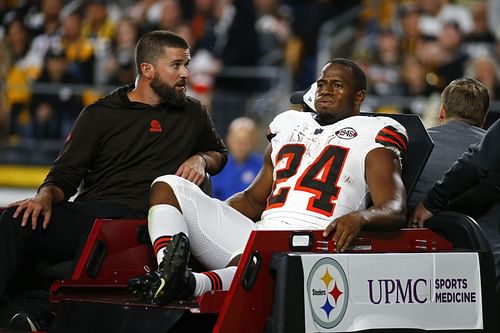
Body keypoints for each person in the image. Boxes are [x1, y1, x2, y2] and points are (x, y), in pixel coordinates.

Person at [128, 58, 409, 305]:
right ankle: (168, 270)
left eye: (337, 85)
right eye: (322, 83)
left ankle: (190, 285)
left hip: (310, 241)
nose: (326, 90)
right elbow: (253, 199)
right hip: (261, 230)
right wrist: (213, 216)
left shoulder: (374, 133)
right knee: (168, 186)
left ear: (359, 96)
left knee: (256, 258)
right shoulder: (289, 124)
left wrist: (360, 218)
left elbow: (394, 206)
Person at [0, 30, 227, 297]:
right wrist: (44, 197)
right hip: (96, 215)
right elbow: (65, 175)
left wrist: (201, 159)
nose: (186, 74)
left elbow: (219, 153)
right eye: (176, 65)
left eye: (186, 64)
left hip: (144, 223)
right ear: (148, 69)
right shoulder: (100, 114)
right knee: (17, 218)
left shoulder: (194, 112)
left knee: (16, 226)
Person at [410, 119, 500, 291]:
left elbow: (477, 164)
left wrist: (432, 202)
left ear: (442, 112)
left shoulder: (417, 145)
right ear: (482, 118)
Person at [408, 78, 489, 208]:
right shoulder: (492, 148)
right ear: (483, 118)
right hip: (478, 227)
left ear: (441, 112)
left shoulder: (414, 141)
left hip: (416, 225)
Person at [211, 117, 263, 200]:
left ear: (254, 142)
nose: (240, 146)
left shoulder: (263, 166)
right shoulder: (219, 164)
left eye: (245, 141)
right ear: (228, 140)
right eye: (237, 140)